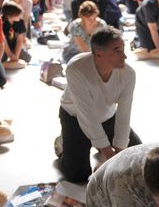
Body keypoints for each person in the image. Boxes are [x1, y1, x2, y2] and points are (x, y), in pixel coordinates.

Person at [58, 27, 141, 183]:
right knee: (78, 175)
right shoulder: (76, 68)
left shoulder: (128, 74)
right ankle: (62, 146)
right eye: (117, 51)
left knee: (137, 156)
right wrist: (109, 155)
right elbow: (86, 115)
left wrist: (119, 150)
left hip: (107, 116)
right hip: (75, 118)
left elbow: (124, 114)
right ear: (98, 54)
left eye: (123, 49)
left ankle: (97, 144)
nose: (124, 56)